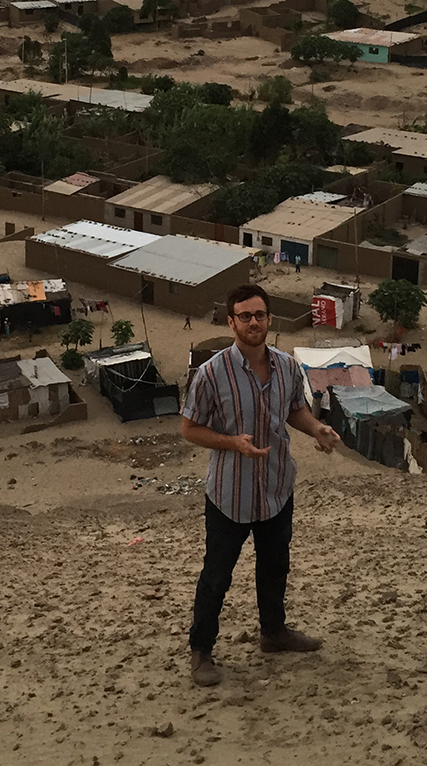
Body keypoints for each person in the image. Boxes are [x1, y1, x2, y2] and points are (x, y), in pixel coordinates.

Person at [180, 284, 340, 688]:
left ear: (270, 319)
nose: (254, 322)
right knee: (217, 575)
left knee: (275, 566)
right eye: (245, 316)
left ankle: (274, 633)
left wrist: (318, 429)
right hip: (230, 494)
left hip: (276, 487)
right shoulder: (211, 373)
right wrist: (232, 442)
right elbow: (189, 428)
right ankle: (202, 651)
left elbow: (295, 410)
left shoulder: (288, 365)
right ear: (231, 321)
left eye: (260, 315)